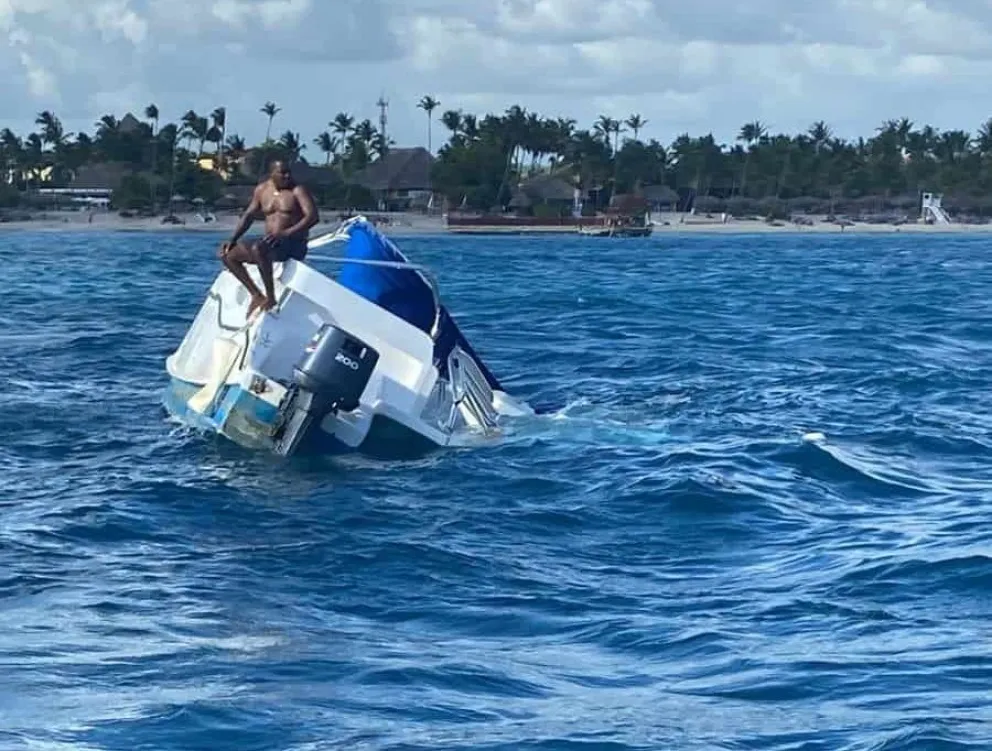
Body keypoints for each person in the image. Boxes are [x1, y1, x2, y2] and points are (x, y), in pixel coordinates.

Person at [218, 159, 319, 317]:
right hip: (271, 243)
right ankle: (256, 295)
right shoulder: (262, 190)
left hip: (293, 244)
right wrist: (233, 239)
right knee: (227, 254)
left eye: (289, 173)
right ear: (272, 173)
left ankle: (271, 298)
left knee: (259, 248)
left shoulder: (298, 190)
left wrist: (286, 233)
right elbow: (249, 215)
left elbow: (312, 217)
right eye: (282, 173)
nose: (287, 176)